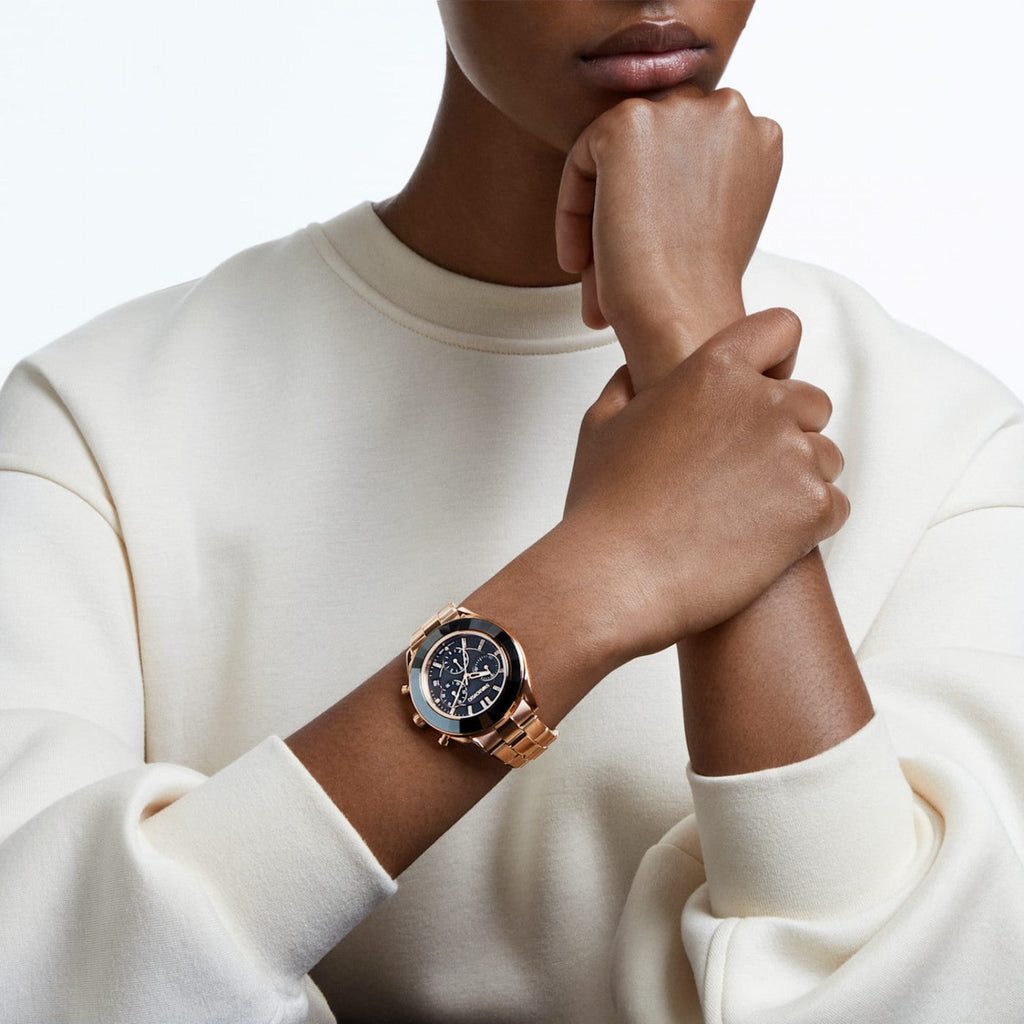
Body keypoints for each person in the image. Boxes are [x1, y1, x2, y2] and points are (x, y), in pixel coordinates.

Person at [1, 2, 1022, 1022]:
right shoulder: (97, 427)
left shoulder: (950, 443)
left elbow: (917, 997)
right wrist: (600, 577)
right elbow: (54, 980)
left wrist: (691, 331)